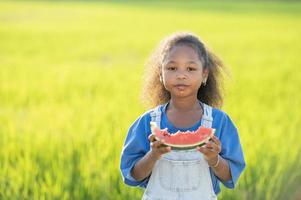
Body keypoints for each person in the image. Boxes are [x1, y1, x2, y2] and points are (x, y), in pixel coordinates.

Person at [120, 32, 246, 200]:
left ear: (204, 75)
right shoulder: (148, 123)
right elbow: (133, 175)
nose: (181, 75)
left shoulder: (219, 122)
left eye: (190, 68)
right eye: (172, 68)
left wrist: (214, 159)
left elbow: (229, 176)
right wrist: (153, 155)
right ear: (160, 74)